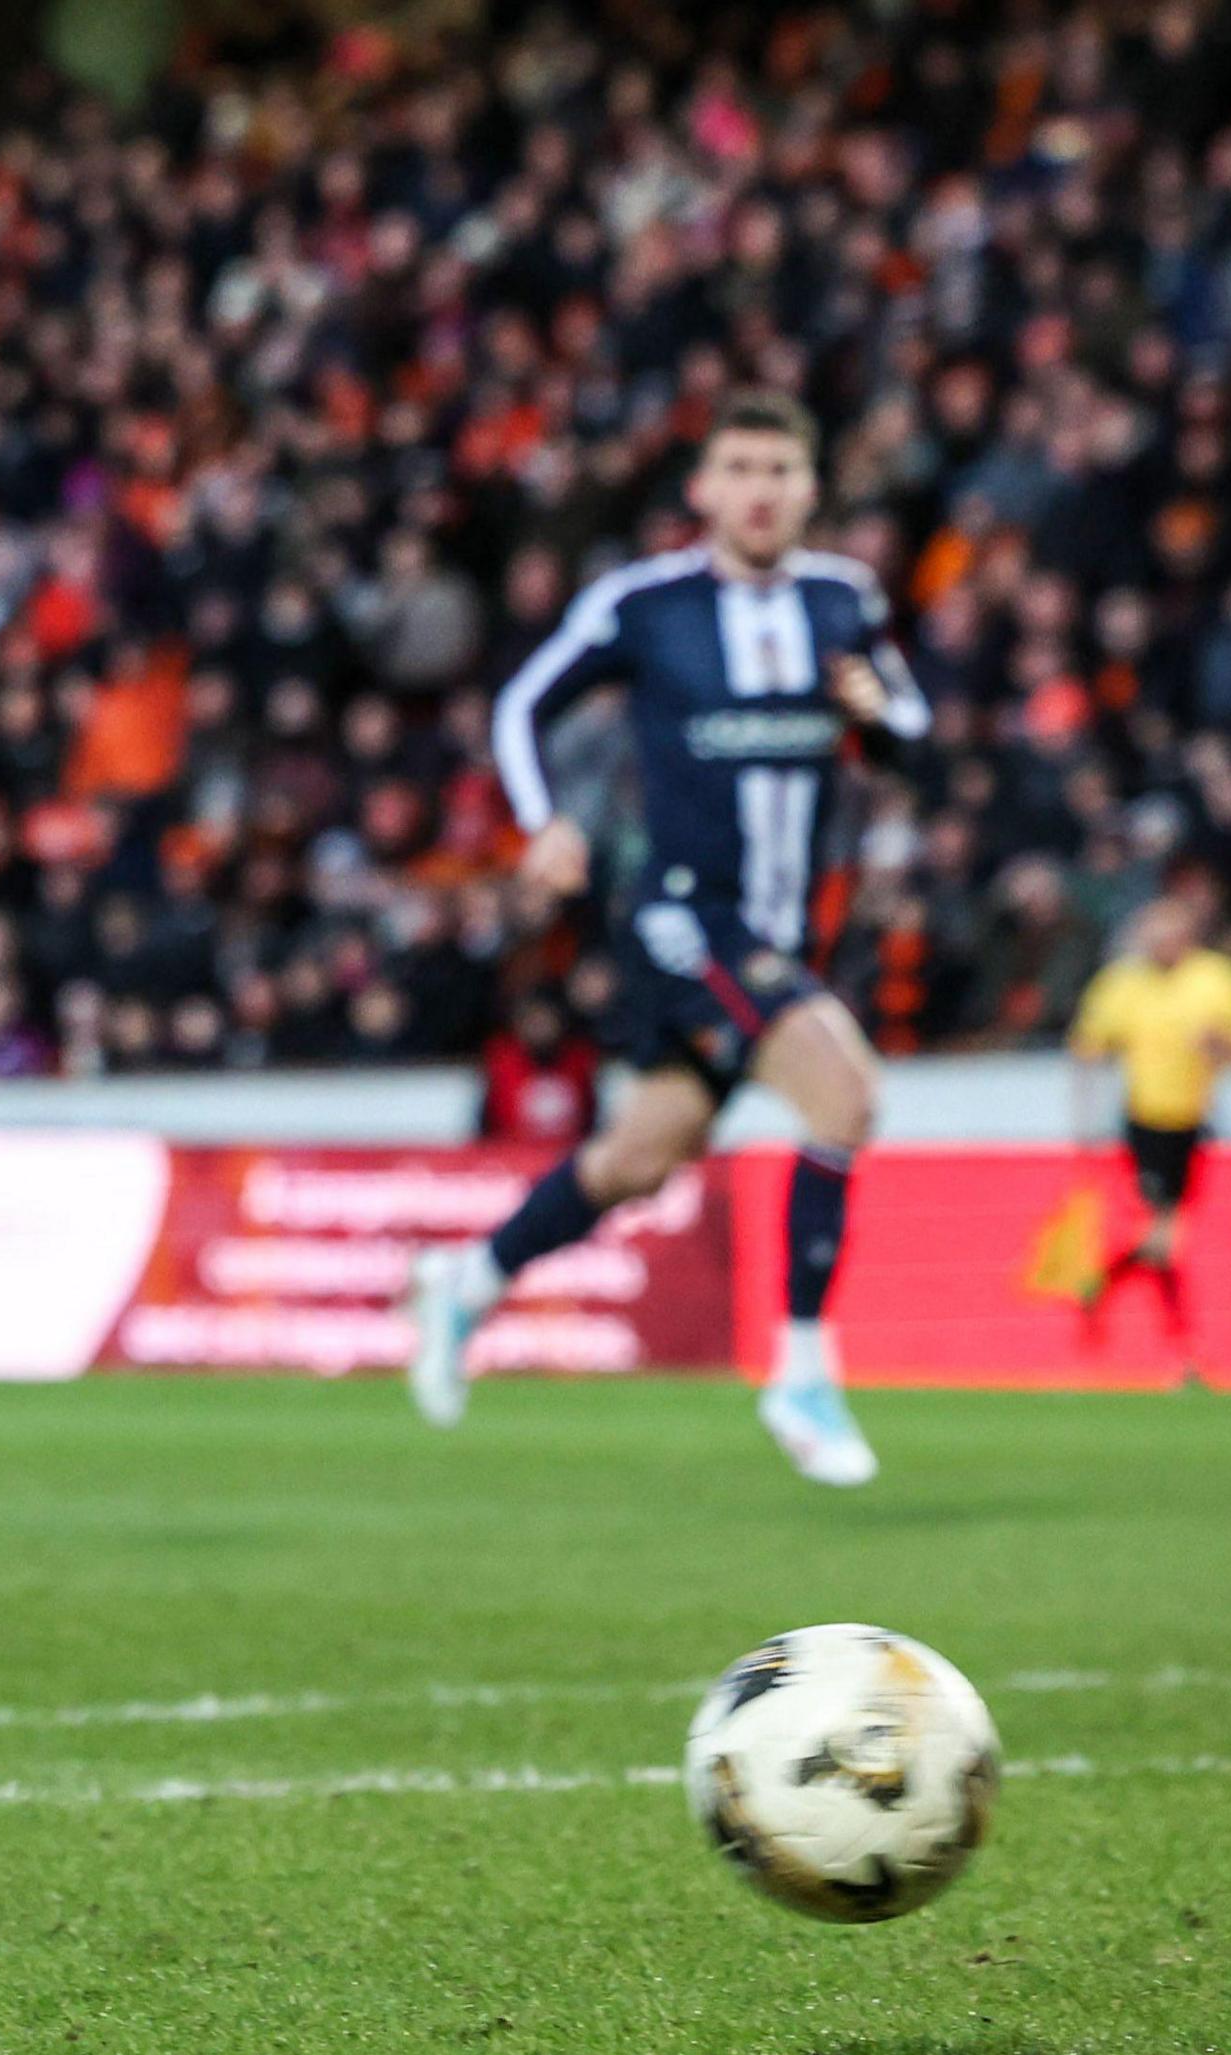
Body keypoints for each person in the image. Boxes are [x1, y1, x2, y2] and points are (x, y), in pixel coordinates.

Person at [403, 390, 929, 1485]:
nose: (759, 490)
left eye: (779, 469)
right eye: (739, 468)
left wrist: (876, 713)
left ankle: (468, 1280)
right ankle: (802, 1374)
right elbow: (521, 704)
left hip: (787, 932)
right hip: (687, 916)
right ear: (703, 489)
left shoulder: (845, 599)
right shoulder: (646, 605)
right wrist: (544, 820)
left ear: (811, 488)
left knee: (639, 1158)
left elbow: (912, 732)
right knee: (847, 1096)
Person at [1067, 893, 1231, 1375]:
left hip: (1193, 1122)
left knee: (1164, 1240)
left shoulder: (1216, 979)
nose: (1159, 946)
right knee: (1166, 1237)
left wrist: (1219, 1045)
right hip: (1144, 1123)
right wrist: (1084, 1122)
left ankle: (1103, 1280)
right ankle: (1182, 1349)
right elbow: (1088, 1047)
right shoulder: (1124, 983)